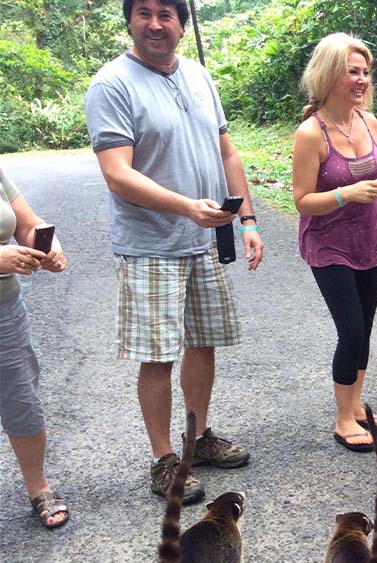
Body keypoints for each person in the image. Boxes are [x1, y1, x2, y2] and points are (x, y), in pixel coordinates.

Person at [84, 0, 264, 504]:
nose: (156, 24)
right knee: (158, 355)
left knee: (203, 342)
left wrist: (248, 218)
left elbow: (227, 150)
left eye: (167, 13)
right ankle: (165, 460)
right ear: (129, 21)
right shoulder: (112, 84)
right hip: (150, 245)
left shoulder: (199, 76)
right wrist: (187, 207)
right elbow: (117, 172)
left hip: (202, 238)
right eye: (144, 12)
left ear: (182, 24)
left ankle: (198, 438)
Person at [292, 33, 377, 453]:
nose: (361, 80)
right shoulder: (310, 133)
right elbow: (302, 201)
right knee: (350, 329)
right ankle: (341, 419)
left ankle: (354, 407)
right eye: (351, 72)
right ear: (329, 75)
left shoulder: (368, 122)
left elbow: (375, 184)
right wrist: (343, 195)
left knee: (365, 328)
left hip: (367, 238)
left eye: (365, 72)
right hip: (328, 243)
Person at [1, 167, 70, 528]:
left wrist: (45, 246)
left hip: (5, 310)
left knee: (21, 399)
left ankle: (38, 486)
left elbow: (26, 222)